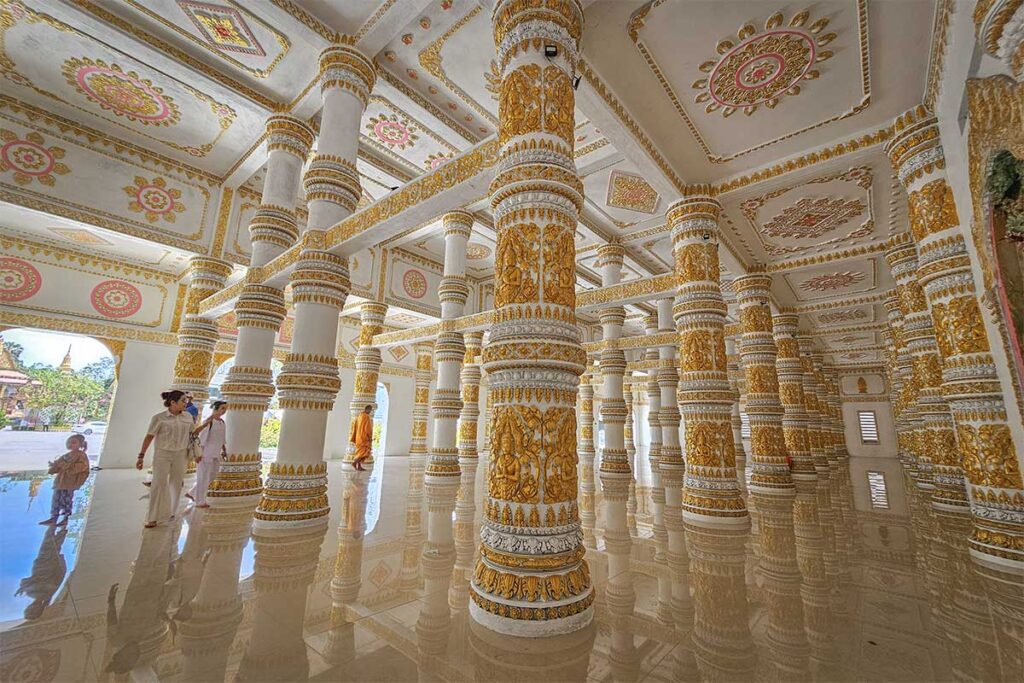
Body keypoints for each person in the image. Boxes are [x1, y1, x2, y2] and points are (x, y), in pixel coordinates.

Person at [137, 390, 194, 529]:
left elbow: (192, 434)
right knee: (159, 483)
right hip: (163, 454)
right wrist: (141, 456)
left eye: (186, 401)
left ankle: (170, 513)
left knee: (176, 484)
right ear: (173, 402)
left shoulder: (187, 417)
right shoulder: (160, 418)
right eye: (183, 401)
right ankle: (152, 517)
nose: (186, 403)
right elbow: (149, 436)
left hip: (181, 454)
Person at [39, 434, 90, 525]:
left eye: (74, 442)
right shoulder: (66, 455)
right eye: (69, 442)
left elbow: (78, 468)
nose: (71, 444)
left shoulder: (82, 456)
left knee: (66, 500)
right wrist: (54, 466)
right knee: (56, 499)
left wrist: (64, 465)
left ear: (80, 444)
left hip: (70, 483)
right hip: (60, 482)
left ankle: (66, 518)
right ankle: (53, 517)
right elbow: (57, 467)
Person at [185, 401, 227, 508]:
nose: (224, 410)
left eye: (225, 408)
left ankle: (192, 493)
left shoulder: (222, 422)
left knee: (212, 476)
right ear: (216, 408)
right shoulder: (209, 422)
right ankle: (200, 501)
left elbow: (222, 439)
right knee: (203, 477)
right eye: (222, 408)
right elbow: (201, 440)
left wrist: (224, 450)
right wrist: (199, 454)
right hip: (205, 454)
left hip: (216, 454)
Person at [349, 404, 374, 471]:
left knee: (360, 453)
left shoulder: (360, 416)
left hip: (358, 437)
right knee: (363, 453)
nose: (370, 411)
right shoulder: (366, 416)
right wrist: (370, 437)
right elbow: (367, 428)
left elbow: (355, 426)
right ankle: (354, 463)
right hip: (364, 438)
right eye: (370, 410)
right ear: (367, 409)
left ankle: (359, 466)